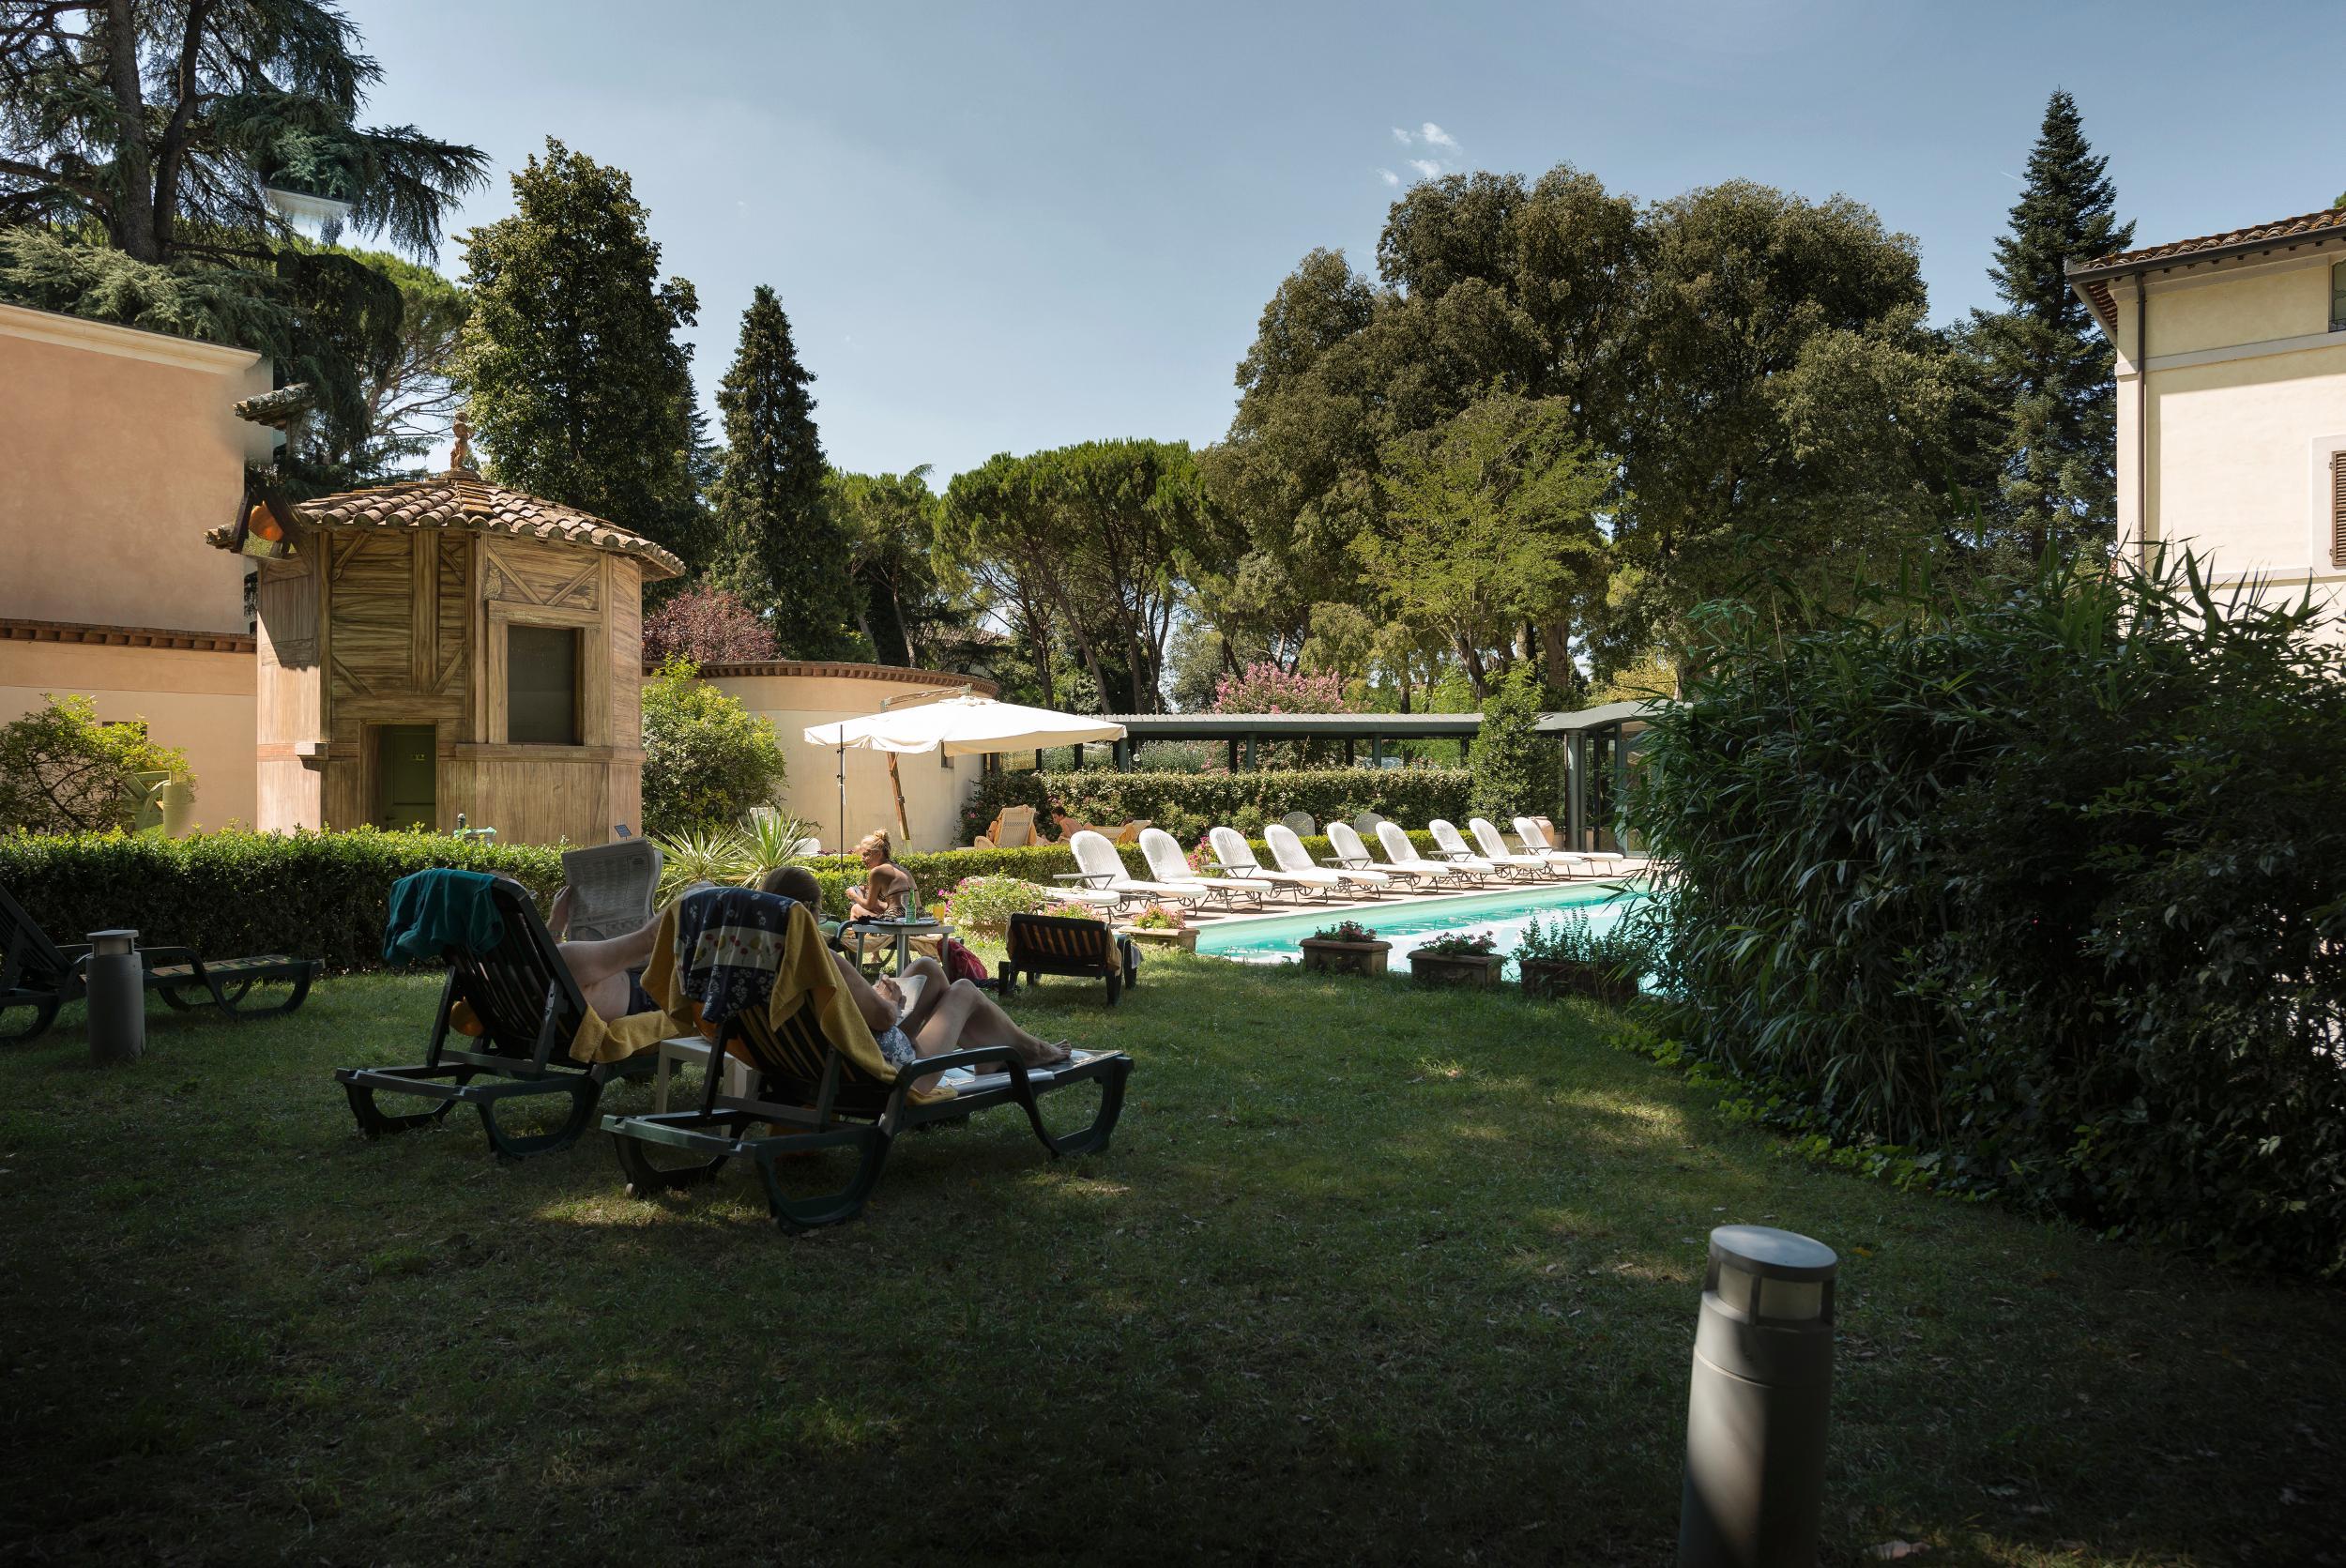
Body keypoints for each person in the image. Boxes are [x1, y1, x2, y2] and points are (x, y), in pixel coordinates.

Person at [761, 865, 1067, 1093]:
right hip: (889, 1072)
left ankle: (991, 1054)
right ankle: (1034, 1051)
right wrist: (887, 999)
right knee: (963, 990)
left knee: (928, 969)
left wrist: (872, 996)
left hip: (834, 1062)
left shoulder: (761, 965)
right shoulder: (824, 961)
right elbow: (882, 1018)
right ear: (809, 911)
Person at [546, 883, 667, 1022]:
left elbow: (548, 961)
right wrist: (689, 897)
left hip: (637, 988)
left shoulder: (533, 972)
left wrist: (556, 922)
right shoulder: (570, 959)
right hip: (646, 1000)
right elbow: (650, 938)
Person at [845, 830, 915, 921]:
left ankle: (857, 935)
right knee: (875, 910)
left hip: (899, 919)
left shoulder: (877, 871)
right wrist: (876, 902)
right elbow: (895, 904)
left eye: (866, 854)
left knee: (855, 909)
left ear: (878, 853)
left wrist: (853, 895)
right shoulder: (900, 868)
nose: (863, 859)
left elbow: (869, 905)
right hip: (917, 915)